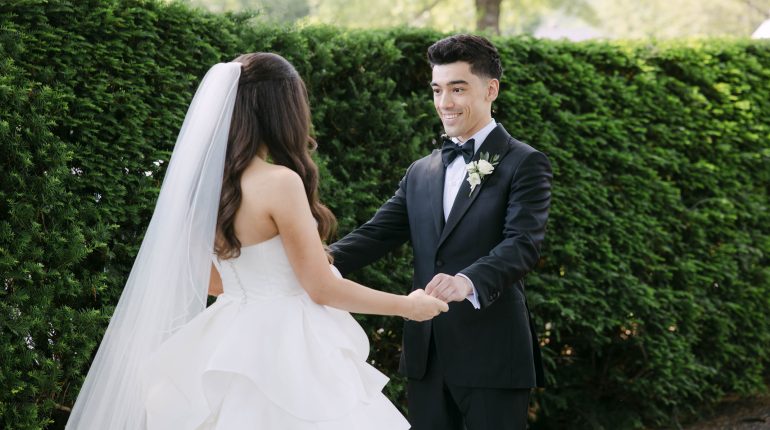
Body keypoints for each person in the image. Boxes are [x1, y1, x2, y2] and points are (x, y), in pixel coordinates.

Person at [66, 52, 448, 429]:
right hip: (289, 345)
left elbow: (214, 282)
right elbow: (319, 288)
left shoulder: (205, 187)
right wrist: (408, 306)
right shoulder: (279, 182)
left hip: (228, 334)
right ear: (282, 111)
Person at [330, 34, 552, 430]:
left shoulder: (525, 163)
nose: (444, 103)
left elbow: (523, 244)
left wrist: (467, 281)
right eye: (437, 89)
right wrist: (316, 261)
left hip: (494, 354)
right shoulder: (421, 171)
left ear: (491, 89)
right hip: (426, 355)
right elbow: (376, 234)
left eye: (457, 89)